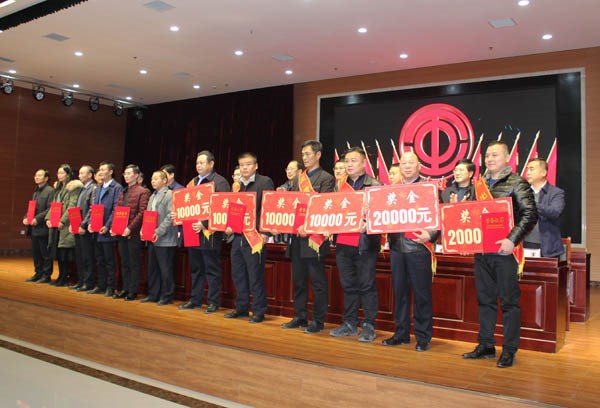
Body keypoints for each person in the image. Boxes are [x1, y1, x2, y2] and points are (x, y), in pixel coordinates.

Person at [462, 140, 537, 368]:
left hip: (505, 253)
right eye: (487, 155)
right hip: (482, 252)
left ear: (507, 158)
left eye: (495, 155)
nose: (490, 159)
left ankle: (509, 350)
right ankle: (486, 345)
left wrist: (512, 240)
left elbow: (530, 214)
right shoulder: (479, 185)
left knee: (509, 303)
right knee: (484, 301)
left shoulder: (518, 183)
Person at [382, 152, 438, 352]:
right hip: (397, 248)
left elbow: (440, 217)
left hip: (418, 248)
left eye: (411, 162)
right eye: (403, 163)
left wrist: (430, 234)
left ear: (419, 166)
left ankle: (423, 337)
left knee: (422, 295)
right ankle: (401, 333)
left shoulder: (428, 188)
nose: (407, 166)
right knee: (400, 294)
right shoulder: (391, 191)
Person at [281, 140, 335, 334]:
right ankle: (300, 316)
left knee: (318, 283)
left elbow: (324, 208)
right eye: (302, 154)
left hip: (314, 239)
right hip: (297, 238)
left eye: (308, 154)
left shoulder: (326, 178)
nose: (304, 158)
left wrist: (309, 226)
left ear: (318, 155)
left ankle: (318, 321)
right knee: (299, 281)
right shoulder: (298, 179)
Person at [330, 147, 381, 343]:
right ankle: (350, 323)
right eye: (347, 161)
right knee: (348, 285)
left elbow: (383, 215)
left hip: (364, 244)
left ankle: (369, 325)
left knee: (367, 285)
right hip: (343, 243)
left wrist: (369, 224)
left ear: (364, 164)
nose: (349, 164)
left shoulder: (374, 185)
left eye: (354, 160)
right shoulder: (339, 186)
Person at [224, 152, 274, 323]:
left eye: (248, 164)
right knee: (238, 275)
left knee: (255, 276)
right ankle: (242, 308)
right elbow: (233, 209)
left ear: (256, 166)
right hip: (237, 236)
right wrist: (229, 226)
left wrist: (265, 232)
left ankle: (259, 311)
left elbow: (269, 207)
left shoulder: (264, 182)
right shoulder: (237, 186)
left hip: (255, 237)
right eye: (241, 165)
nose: (244, 168)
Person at [178, 151, 230, 313]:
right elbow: (186, 205)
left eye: (202, 163)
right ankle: (195, 300)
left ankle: (213, 302)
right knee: (196, 269)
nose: (198, 166)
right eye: (197, 163)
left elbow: (222, 207)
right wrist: (178, 214)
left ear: (211, 164)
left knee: (211, 269)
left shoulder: (220, 182)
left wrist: (204, 223)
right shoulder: (193, 182)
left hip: (210, 233)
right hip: (192, 231)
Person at [111, 164, 150, 301]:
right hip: (121, 232)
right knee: (124, 262)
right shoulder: (123, 191)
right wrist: (115, 227)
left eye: (129, 173)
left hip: (134, 233)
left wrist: (130, 228)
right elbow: (118, 211)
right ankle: (125, 288)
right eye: (125, 174)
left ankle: (133, 291)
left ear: (136, 175)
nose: (126, 176)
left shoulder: (143, 191)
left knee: (134, 263)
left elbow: (142, 212)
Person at [85, 161, 123, 297]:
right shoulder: (98, 188)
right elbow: (93, 208)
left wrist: (107, 225)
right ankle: (100, 285)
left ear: (111, 172)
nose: (100, 172)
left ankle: (110, 286)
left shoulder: (116, 187)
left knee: (109, 260)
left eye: (103, 169)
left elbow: (116, 209)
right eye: (99, 170)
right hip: (96, 229)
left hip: (107, 230)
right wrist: (90, 223)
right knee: (99, 259)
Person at [141, 170, 178, 305]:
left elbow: (170, 216)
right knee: (153, 268)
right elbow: (148, 215)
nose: (153, 181)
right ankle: (153, 294)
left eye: (156, 178)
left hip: (165, 239)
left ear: (164, 180)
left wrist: (158, 231)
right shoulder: (152, 196)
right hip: (151, 238)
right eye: (152, 178)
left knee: (165, 269)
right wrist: (143, 229)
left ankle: (166, 296)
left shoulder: (170, 194)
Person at [45, 164, 83, 286]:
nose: (59, 175)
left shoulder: (74, 187)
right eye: (58, 173)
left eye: (62, 173)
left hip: (66, 225)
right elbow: (53, 205)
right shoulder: (58, 187)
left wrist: (62, 220)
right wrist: (48, 218)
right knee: (58, 251)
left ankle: (64, 277)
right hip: (55, 224)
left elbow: (72, 205)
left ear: (68, 174)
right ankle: (60, 276)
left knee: (64, 253)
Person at [524, 158, 565, 258]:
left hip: (548, 249)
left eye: (531, 169)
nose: (527, 173)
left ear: (543, 172)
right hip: (524, 245)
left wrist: (532, 203)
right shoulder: (523, 193)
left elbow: (555, 212)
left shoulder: (556, 193)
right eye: (527, 169)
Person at [23, 169, 54, 283]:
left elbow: (50, 209)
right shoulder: (36, 191)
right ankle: (38, 273)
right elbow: (31, 208)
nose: (36, 177)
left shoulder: (50, 191)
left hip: (43, 227)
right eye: (36, 175)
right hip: (34, 228)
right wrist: (26, 217)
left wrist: (37, 219)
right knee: (36, 253)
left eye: (40, 175)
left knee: (45, 253)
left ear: (46, 178)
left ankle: (46, 275)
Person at [69, 165, 97, 292]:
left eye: (82, 173)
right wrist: (73, 223)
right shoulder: (82, 188)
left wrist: (83, 225)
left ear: (90, 175)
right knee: (79, 256)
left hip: (85, 228)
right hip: (78, 227)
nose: (79, 175)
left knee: (87, 257)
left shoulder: (93, 188)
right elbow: (77, 209)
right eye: (79, 173)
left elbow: (92, 209)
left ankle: (88, 282)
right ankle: (81, 281)